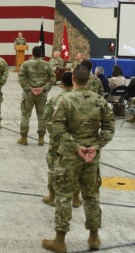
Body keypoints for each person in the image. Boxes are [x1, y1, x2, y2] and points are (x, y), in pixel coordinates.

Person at [43, 65, 115, 252]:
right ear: (89, 80)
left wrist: (76, 147)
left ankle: (60, 241)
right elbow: (109, 128)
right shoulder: (100, 101)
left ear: (73, 79)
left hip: (69, 156)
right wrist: (96, 147)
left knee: (64, 196)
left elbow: (57, 127)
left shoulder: (65, 100)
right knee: (91, 196)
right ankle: (94, 237)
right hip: (91, 157)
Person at [42, 72, 80, 208]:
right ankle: (76, 198)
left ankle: (52, 197)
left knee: (54, 167)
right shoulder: (80, 99)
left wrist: (56, 133)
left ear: (61, 83)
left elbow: (46, 119)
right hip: (76, 140)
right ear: (74, 82)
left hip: (57, 140)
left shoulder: (54, 99)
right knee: (76, 168)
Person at [18, 46, 56, 146]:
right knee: (42, 116)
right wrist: (43, 88)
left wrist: (29, 88)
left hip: (29, 94)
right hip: (42, 94)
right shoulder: (47, 64)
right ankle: (41, 138)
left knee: (25, 115)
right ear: (41, 54)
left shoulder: (26, 64)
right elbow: (53, 78)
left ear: (32, 53)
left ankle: (24, 138)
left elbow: (21, 77)